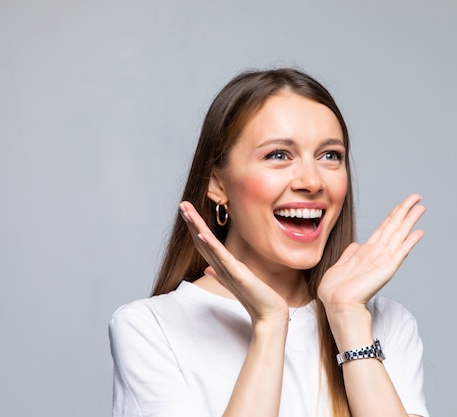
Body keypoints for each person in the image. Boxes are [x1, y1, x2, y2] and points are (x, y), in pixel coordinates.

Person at [109, 68, 429, 417]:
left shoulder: (384, 323)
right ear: (217, 183)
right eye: (278, 155)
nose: (311, 180)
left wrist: (348, 317)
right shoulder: (151, 329)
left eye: (330, 156)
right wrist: (270, 325)